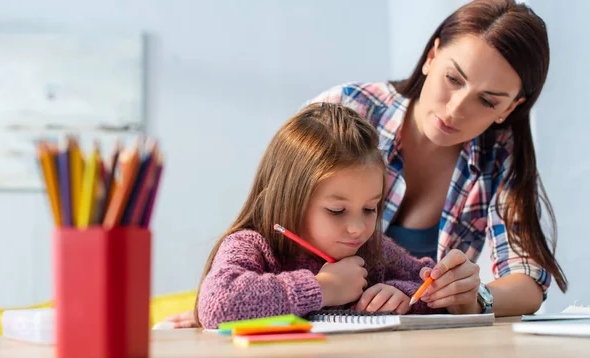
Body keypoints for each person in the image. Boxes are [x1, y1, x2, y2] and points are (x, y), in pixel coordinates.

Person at [165, 0, 568, 328]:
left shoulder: (501, 153)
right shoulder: (345, 112)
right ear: (431, 56)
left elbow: (524, 280)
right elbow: (269, 228)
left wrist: (460, 296)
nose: (456, 109)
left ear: (510, 108)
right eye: (454, 78)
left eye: (487, 100)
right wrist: (290, 294)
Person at [196, 103, 444, 329]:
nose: (357, 228)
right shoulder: (253, 246)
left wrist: (402, 295)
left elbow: (431, 283)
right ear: (289, 199)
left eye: (370, 209)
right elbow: (218, 303)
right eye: (337, 211)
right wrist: (323, 288)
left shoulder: (372, 250)